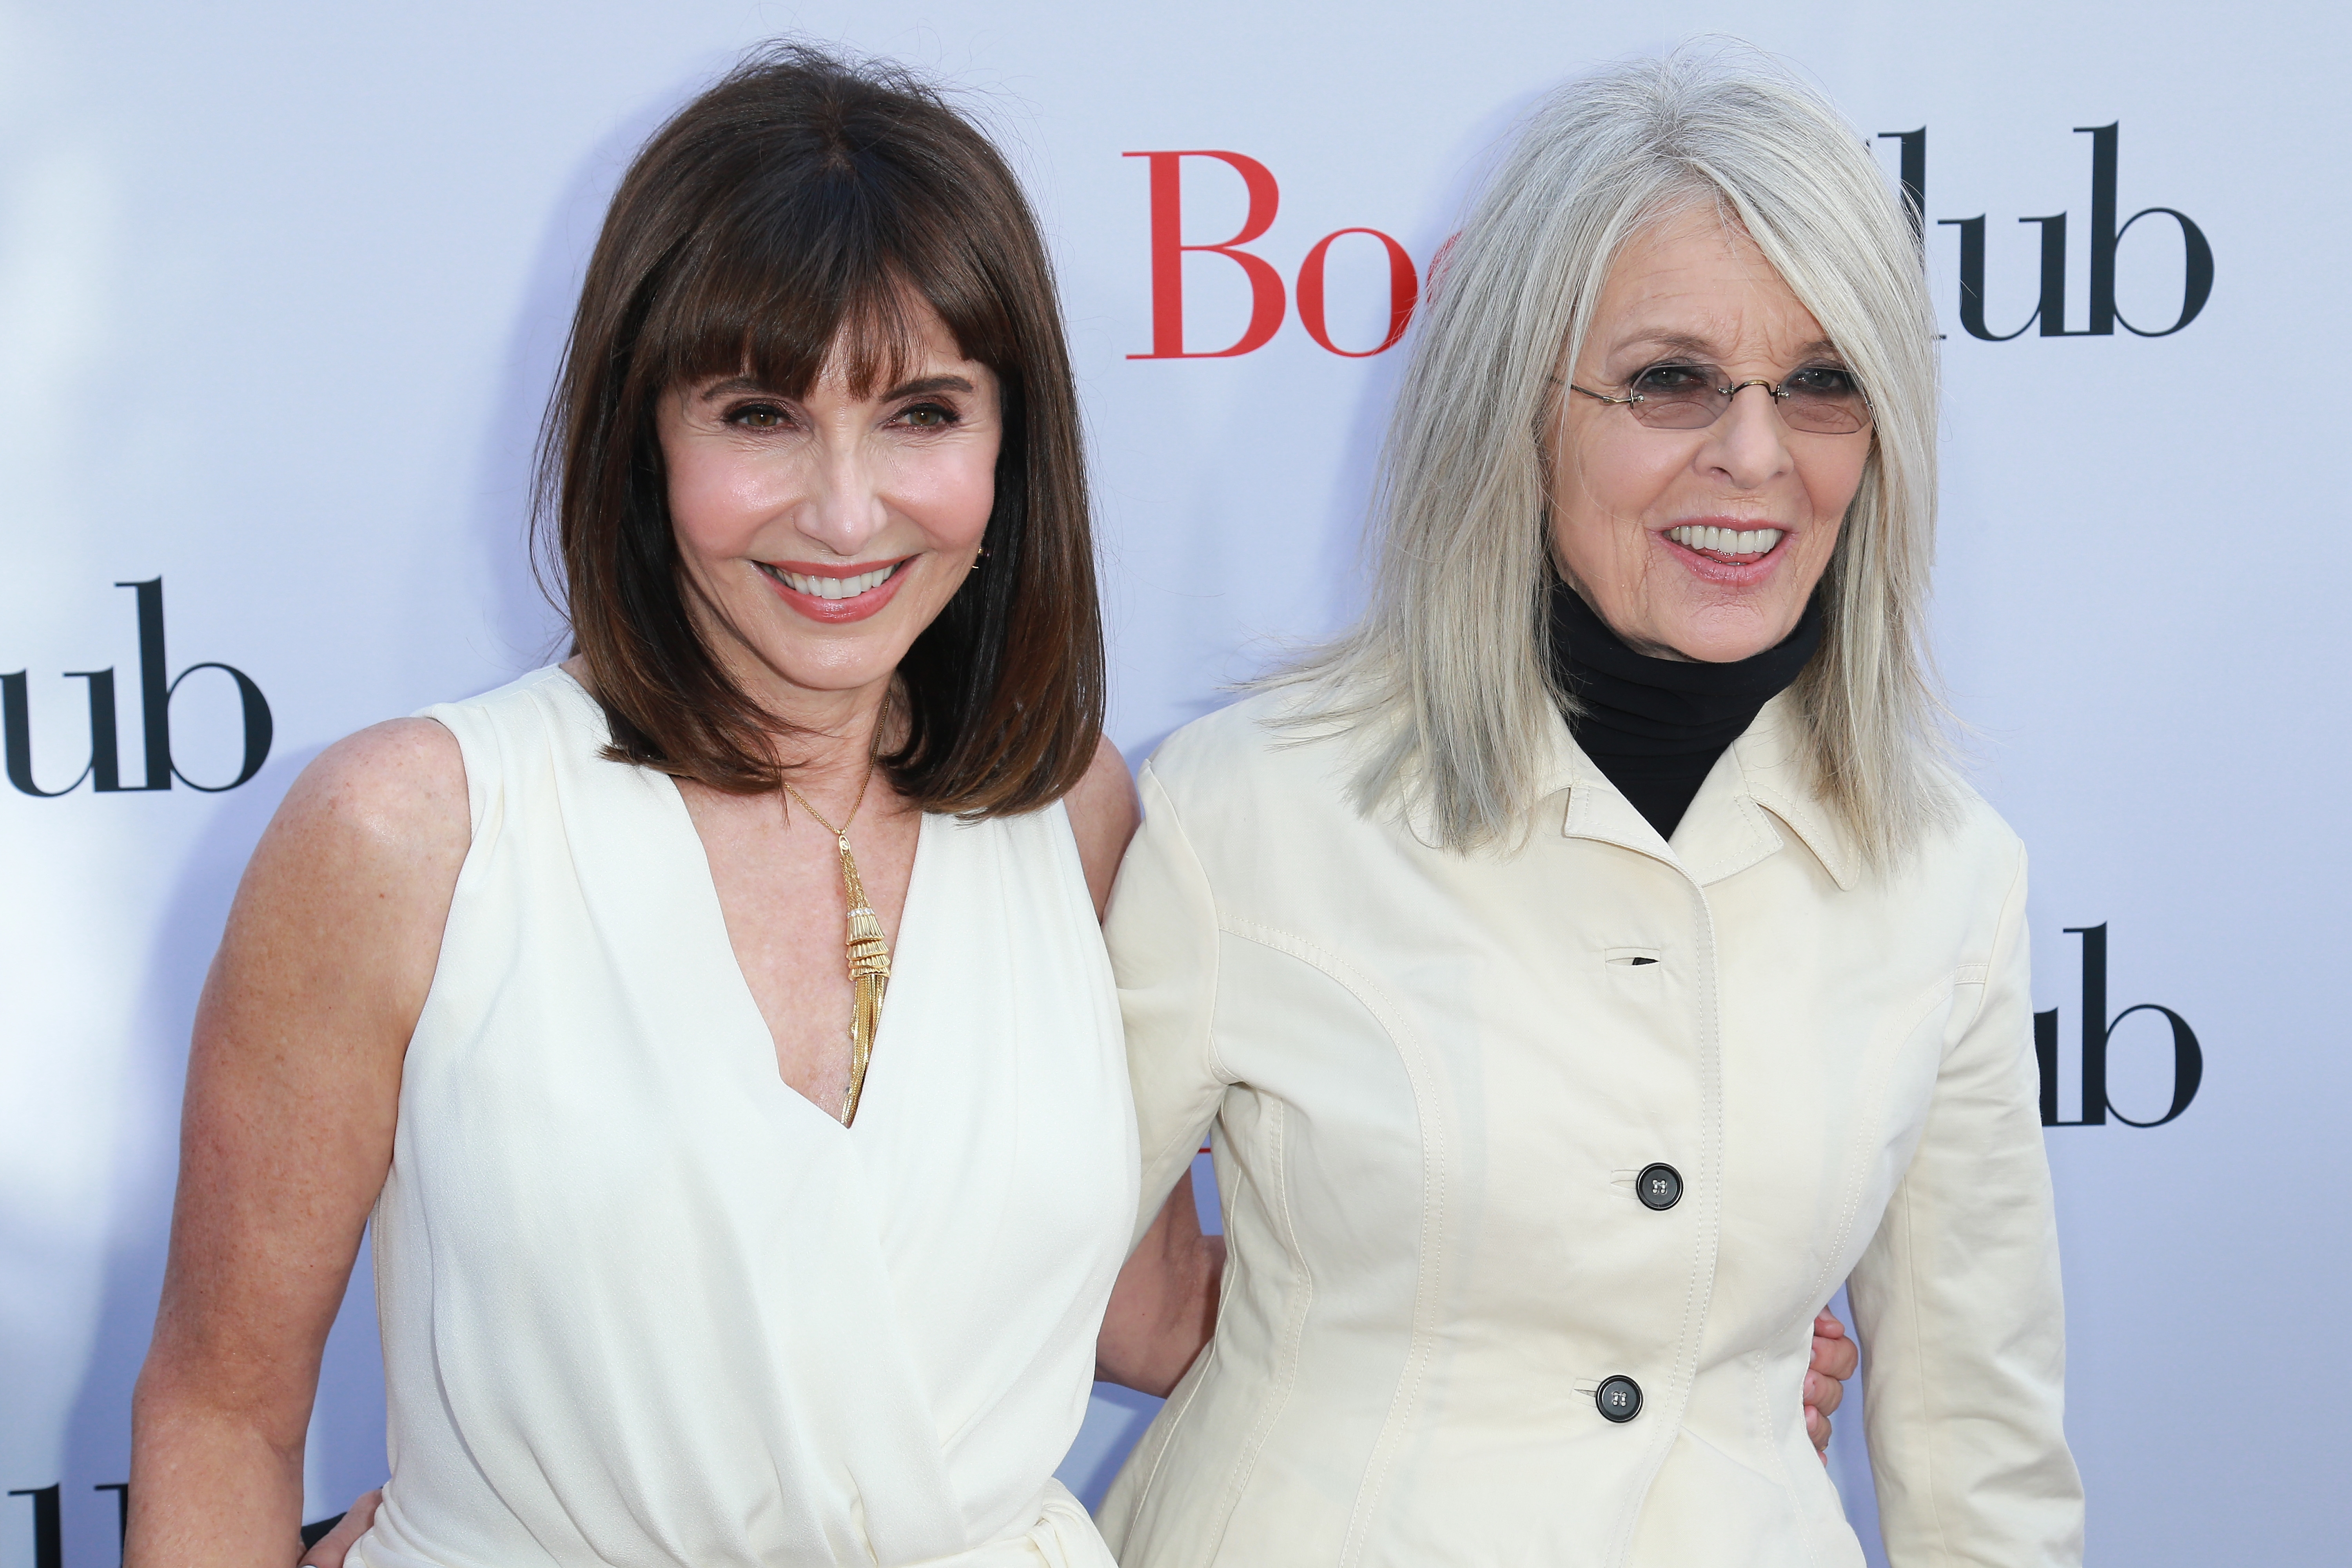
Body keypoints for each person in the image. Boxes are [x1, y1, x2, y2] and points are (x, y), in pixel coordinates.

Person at [126, 46, 1149, 1568]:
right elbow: (223, 1409)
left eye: (923, 412)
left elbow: (1132, 1298)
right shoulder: (410, 834)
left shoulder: (1067, 805)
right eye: (759, 414)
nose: (847, 508)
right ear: (642, 434)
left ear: (1012, 444)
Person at [1097, 46, 2084, 1568]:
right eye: (1670, 380)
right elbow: (993, 1300)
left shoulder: (1946, 873)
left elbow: (1986, 1458)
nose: (1755, 455)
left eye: (1824, 383)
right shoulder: (1256, 808)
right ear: (1521, 410)